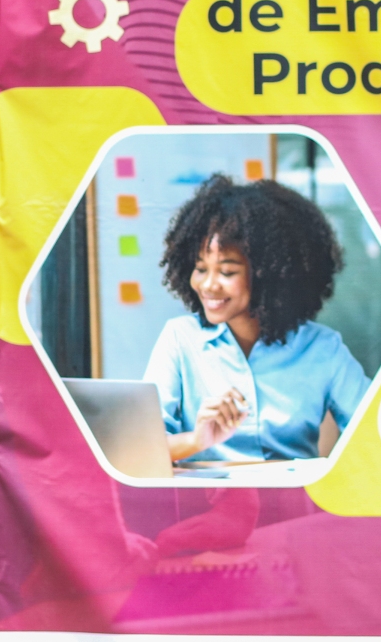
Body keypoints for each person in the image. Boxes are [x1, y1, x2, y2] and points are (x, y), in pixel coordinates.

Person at [143, 175, 369, 462]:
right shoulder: (179, 338)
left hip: (296, 492)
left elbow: (374, 434)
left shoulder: (323, 348)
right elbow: (142, 450)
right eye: (200, 269)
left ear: (269, 274)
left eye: (227, 272)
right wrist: (197, 440)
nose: (208, 285)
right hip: (205, 491)